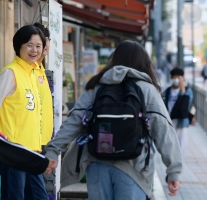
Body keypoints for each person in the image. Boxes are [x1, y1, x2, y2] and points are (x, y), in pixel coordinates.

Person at [45, 40, 183, 200]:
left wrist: (54, 149)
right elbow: (163, 130)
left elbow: (75, 119)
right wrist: (173, 170)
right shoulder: (146, 89)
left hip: (97, 163)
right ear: (143, 62)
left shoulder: (97, 86)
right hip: (134, 168)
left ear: (115, 59)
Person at [0, 25, 51, 200]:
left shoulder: (31, 72)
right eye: (29, 45)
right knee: (15, 196)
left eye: (38, 46)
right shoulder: (10, 72)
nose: (34, 50)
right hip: (12, 151)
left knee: (39, 196)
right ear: (19, 46)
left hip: (31, 151)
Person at [163, 68, 193, 160]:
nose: (176, 79)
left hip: (182, 122)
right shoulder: (167, 91)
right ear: (171, 77)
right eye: (174, 77)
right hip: (170, 122)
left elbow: (186, 106)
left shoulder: (187, 91)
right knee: (170, 146)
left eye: (179, 77)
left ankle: (179, 167)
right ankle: (172, 166)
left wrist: (183, 90)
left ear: (183, 78)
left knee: (181, 146)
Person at [33, 22, 53, 148]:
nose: (45, 45)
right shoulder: (28, 70)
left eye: (47, 40)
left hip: (44, 141)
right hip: (32, 144)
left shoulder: (41, 69)